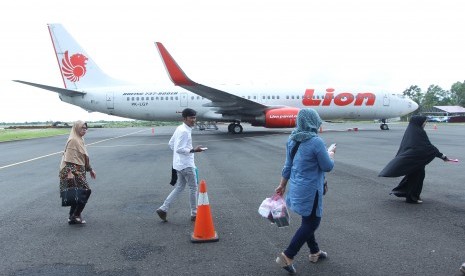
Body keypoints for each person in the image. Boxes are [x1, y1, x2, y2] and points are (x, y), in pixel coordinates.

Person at [274, 108, 335, 274]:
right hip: (310, 190)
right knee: (312, 222)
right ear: (313, 121)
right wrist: (330, 154)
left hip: (296, 186)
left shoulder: (292, 138)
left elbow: (287, 165)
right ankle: (287, 255)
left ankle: (314, 251)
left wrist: (282, 185)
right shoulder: (316, 142)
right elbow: (327, 166)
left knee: (307, 221)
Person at [379, 115, 450, 204]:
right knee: (417, 178)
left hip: (413, 159)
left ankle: (408, 194)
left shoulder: (411, 131)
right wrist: (442, 156)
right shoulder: (419, 132)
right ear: (419, 122)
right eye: (424, 122)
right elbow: (428, 147)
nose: (425, 123)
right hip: (416, 160)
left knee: (413, 177)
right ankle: (412, 198)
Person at [156, 108, 205, 222]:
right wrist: (193, 150)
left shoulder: (180, 128)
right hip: (187, 165)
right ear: (185, 118)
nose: (194, 120)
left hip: (179, 165)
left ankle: (163, 208)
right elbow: (179, 149)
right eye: (191, 118)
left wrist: (180, 157)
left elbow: (171, 144)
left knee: (180, 187)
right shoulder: (184, 131)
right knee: (193, 188)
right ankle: (194, 213)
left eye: (194, 117)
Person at [59, 121, 96, 224]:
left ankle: (72, 216)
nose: (84, 129)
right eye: (82, 127)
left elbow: (83, 157)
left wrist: (90, 169)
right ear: (76, 128)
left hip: (79, 169)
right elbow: (68, 159)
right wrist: (70, 174)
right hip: (72, 170)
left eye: (86, 128)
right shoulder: (73, 140)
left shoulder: (80, 139)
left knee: (78, 193)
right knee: (85, 191)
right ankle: (76, 214)